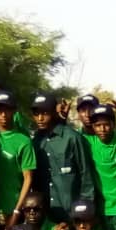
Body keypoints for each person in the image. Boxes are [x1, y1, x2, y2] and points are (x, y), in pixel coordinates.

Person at [31, 92, 95, 223]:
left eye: (45, 113)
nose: (40, 118)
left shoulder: (72, 138)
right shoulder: (36, 141)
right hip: (46, 215)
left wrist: (84, 212)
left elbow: (86, 176)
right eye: (36, 114)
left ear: (54, 112)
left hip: (72, 214)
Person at [0, 89, 36, 230]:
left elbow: (28, 178)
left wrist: (16, 212)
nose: (3, 115)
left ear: (14, 111)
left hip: (13, 211)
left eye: (7, 110)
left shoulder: (23, 141)